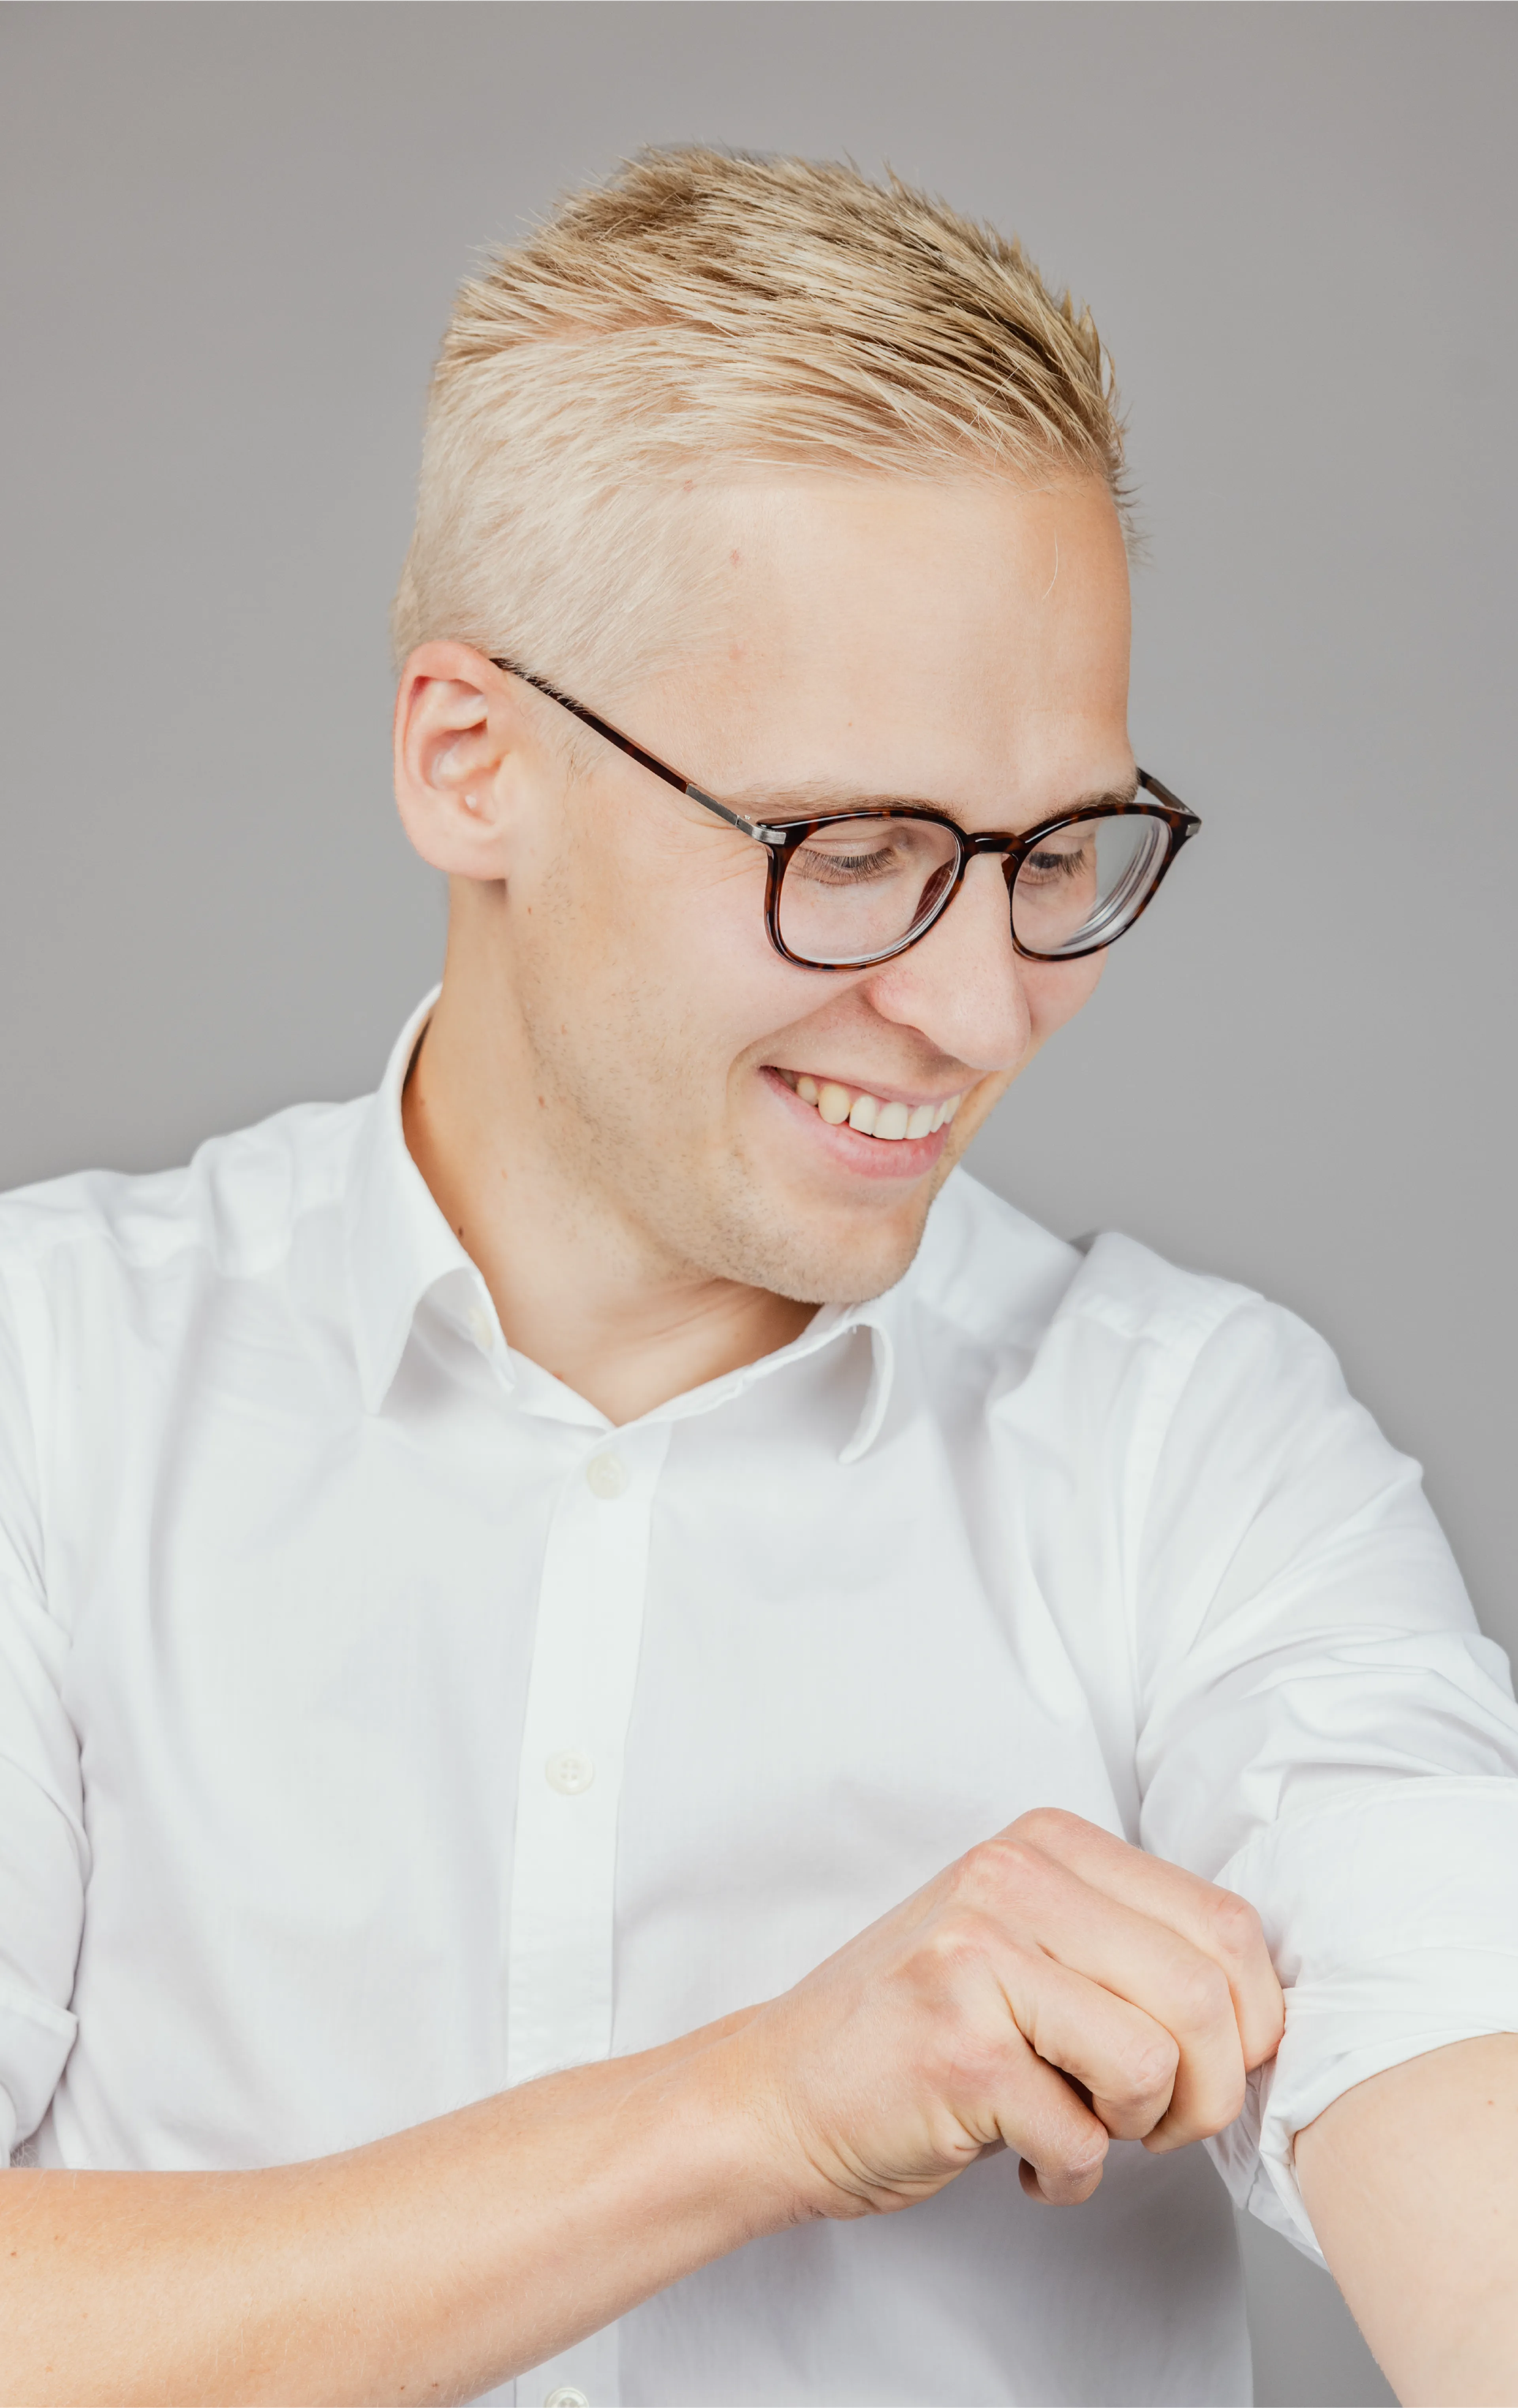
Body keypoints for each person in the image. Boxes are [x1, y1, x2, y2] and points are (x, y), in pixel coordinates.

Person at [2, 147, 1516, 2408]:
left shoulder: (1198, 1450)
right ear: (470, 757)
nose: (986, 1008)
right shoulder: (51, 1386)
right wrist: (762, 2103)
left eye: (1055, 853)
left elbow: (1457, 2028)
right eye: (860, 849)